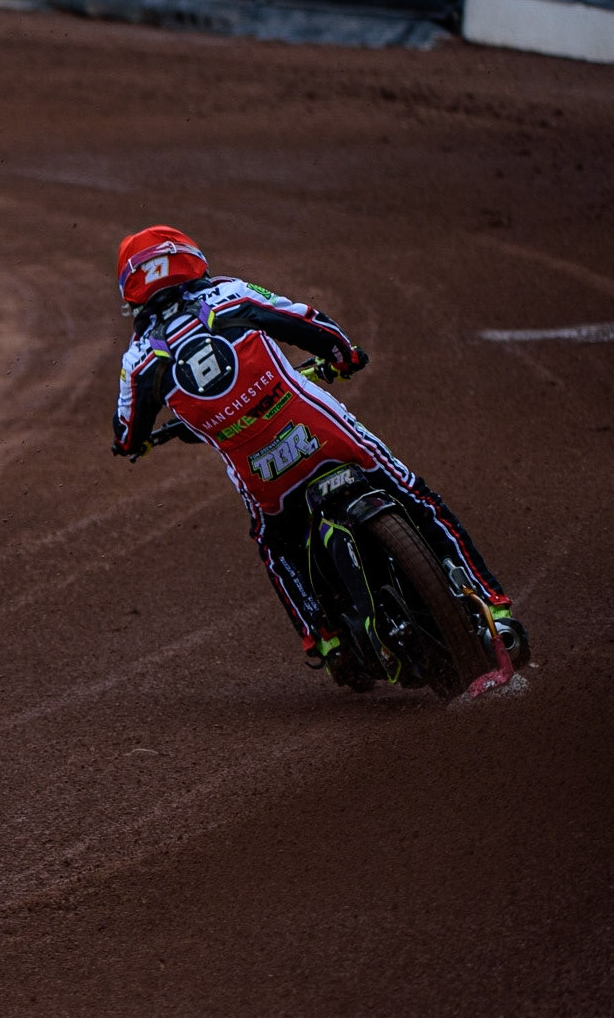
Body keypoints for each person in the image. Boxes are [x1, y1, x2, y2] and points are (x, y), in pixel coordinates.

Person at [109, 225, 528, 685]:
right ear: (190, 259)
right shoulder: (228, 293)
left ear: (132, 292)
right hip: (323, 433)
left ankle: (325, 641)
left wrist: (139, 442)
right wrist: (344, 356)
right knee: (415, 496)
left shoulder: (140, 358)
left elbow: (127, 433)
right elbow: (306, 320)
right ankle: (494, 609)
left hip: (265, 478)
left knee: (274, 546)